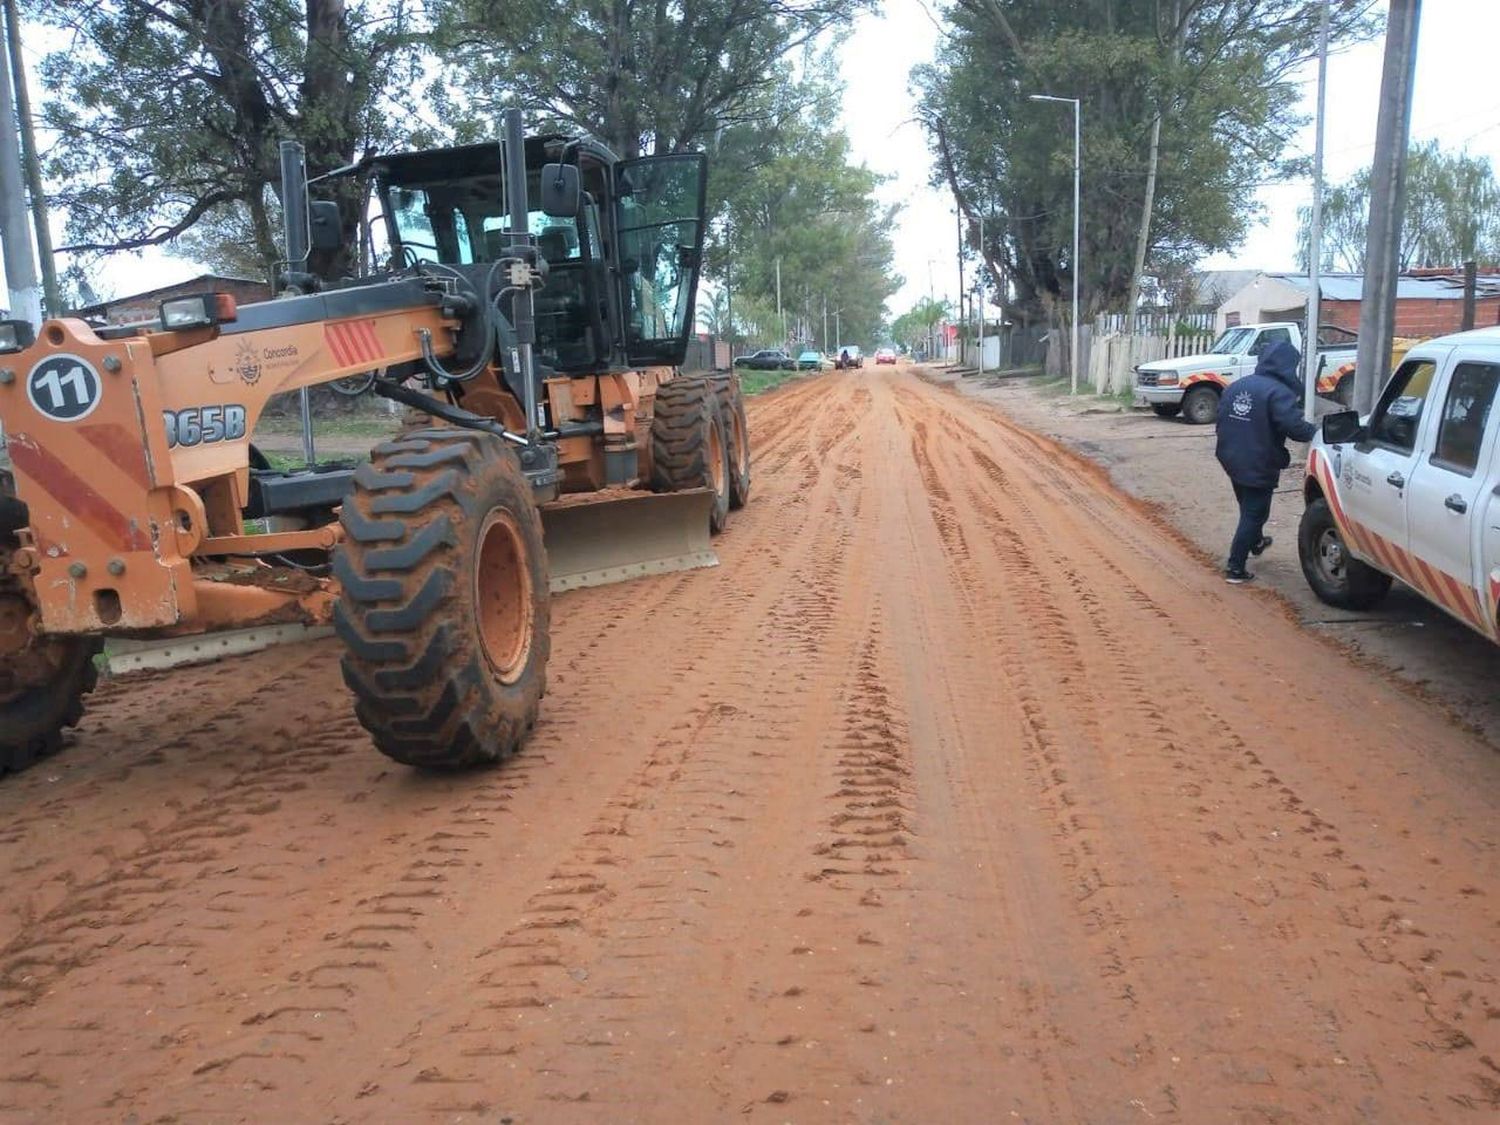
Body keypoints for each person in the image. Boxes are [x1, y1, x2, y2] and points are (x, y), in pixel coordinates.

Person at [1214, 339, 1317, 584]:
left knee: (1248, 506)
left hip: (1231, 457)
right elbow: (1294, 428)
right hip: (1258, 461)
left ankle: (1256, 541)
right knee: (1254, 512)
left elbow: (1221, 420)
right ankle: (1235, 568)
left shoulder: (1237, 386)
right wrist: (1318, 433)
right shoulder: (1278, 393)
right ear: (1288, 365)